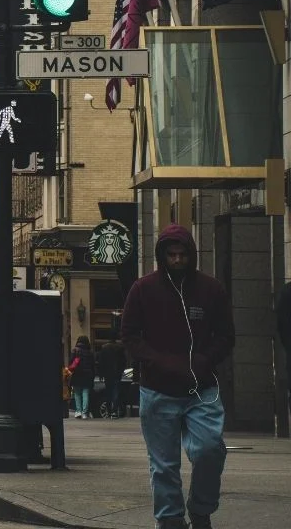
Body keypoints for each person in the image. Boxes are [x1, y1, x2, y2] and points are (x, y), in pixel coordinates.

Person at [121, 224, 234, 529]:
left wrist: (203, 360)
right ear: (162, 256)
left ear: (191, 255)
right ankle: (170, 520)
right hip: (157, 390)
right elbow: (130, 335)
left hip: (201, 388)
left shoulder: (211, 290)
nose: (177, 260)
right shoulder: (143, 289)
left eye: (182, 254)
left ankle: (201, 508)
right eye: (171, 254)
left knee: (210, 449)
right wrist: (156, 361)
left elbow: (226, 335)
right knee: (164, 465)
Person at [99, 331, 127, 418]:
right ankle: (114, 411)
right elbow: (123, 361)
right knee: (116, 392)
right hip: (116, 374)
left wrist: (101, 374)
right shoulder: (120, 348)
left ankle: (109, 411)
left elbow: (101, 362)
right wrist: (121, 371)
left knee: (108, 393)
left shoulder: (104, 348)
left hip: (107, 374)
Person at [67, 335, 95, 418]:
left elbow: (71, 362)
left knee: (77, 394)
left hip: (77, 375)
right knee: (85, 393)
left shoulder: (74, 350)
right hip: (87, 375)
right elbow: (93, 365)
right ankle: (84, 413)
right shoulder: (90, 352)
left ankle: (78, 411)